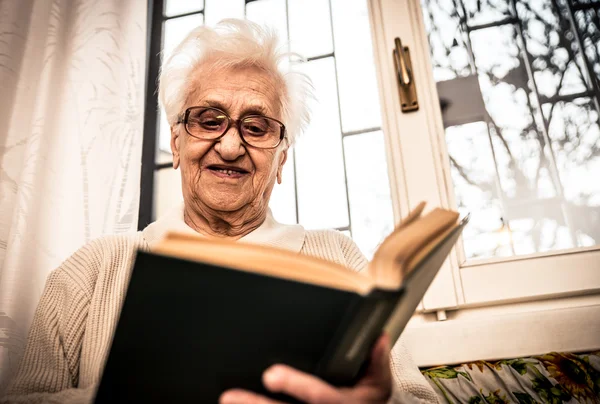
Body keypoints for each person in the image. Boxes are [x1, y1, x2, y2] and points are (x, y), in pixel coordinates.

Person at [2, 19, 439, 404]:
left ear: (281, 160)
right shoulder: (91, 271)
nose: (230, 146)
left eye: (256, 127)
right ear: (177, 144)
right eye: (209, 120)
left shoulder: (339, 259)